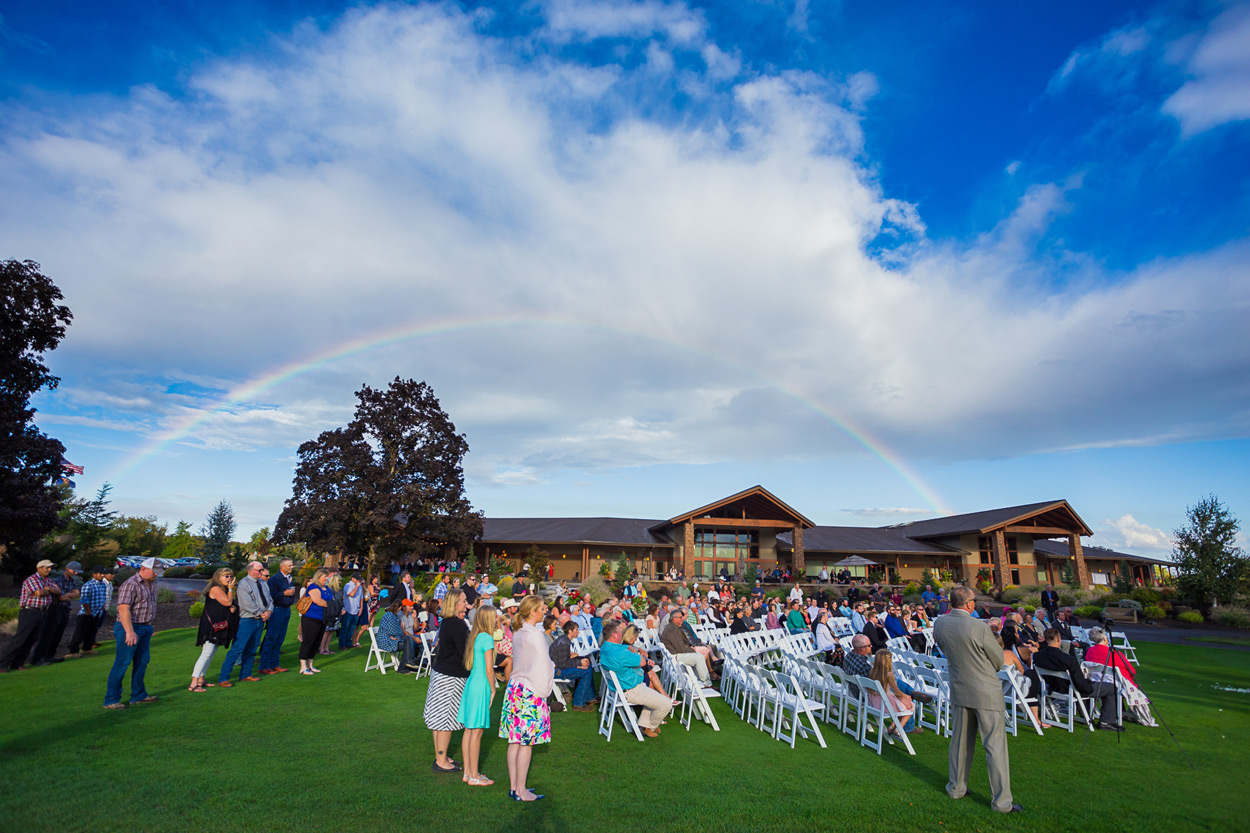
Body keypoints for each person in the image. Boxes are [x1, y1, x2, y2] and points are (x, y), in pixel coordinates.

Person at [934, 585, 1020, 814]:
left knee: (960, 743)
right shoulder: (978, 627)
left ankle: (956, 787)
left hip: (960, 688)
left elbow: (943, 647)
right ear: (970, 604)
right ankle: (1002, 803)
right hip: (985, 692)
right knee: (995, 746)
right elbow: (998, 661)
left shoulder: (940, 623)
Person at [500, 595, 553, 801]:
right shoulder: (535, 634)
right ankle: (521, 791)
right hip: (530, 690)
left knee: (515, 741)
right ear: (533, 612)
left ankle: (515, 788)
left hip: (515, 688)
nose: (544, 611)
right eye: (541, 608)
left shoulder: (518, 631)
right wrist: (545, 690)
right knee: (526, 743)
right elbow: (544, 665)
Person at [102, 557, 162, 709]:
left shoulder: (152, 583)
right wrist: (129, 632)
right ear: (143, 569)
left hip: (145, 627)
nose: (156, 575)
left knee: (142, 661)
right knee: (123, 662)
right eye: (154, 572)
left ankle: (138, 695)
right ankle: (111, 699)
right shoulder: (130, 584)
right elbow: (123, 609)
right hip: (128, 627)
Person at [1033, 627, 1120, 730]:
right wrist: (1090, 687)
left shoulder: (1037, 656)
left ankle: (1085, 716)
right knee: (1112, 688)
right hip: (1070, 689)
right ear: (1059, 639)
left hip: (1052, 687)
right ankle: (1106, 722)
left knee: (1084, 686)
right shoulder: (1068, 659)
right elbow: (1079, 682)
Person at [600, 620, 671, 738]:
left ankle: (644, 725)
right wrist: (641, 655)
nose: (622, 634)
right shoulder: (620, 652)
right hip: (631, 690)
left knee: (653, 697)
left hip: (621, 688)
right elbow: (642, 662)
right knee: (666, 704)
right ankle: (649, 727)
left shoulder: (605, 648)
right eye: (620, 632)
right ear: (614, 635)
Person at [426, 589, 470, 774]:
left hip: (441, 674)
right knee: (445, 719)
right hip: (450, 677)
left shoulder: (447, 623)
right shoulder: (457, 625)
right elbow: (465, 652)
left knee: (438, 718)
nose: (466, 604)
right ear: (454, 603)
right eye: (463, 601)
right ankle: (441, 760)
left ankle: (440, 756)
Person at [458, 605, 498, 787]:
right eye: (495, 617)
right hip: (480, 685)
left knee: (469, 729)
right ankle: (474, 775)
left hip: (472, 683)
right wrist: (493, 689)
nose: (497, 620)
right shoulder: (487, 638)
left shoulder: (475, 636)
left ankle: (468, 772)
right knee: (477, 731)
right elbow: (489, 669)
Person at [217, 561, 273, 687]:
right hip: (247, 620)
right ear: (250, 570)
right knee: (237, 649)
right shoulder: (244, 584)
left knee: (252, 649)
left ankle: (246, 674)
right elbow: (246, 603)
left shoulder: (263, 583)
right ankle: (224, 677)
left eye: (262, 570)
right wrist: (260, 613)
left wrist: (269, 611)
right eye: (259, 570)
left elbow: (270, 599)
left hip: (259, 620)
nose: (261, 572)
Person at [1, 559, 61, 672]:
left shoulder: (48, 580)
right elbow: (39, 593)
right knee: (20, 638)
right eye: (47, 567)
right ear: (39, 568)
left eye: (50, 567)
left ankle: (18, 663)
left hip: (42, 611)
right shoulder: (31, 580)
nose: (49, 569)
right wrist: (48, 590)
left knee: (32, 638)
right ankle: (3, 663)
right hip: (29, 612)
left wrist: (48, 589)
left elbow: (58, 591)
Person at [189, 568, 237, 692]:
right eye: (226, 576)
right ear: (218, 577)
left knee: (211, 653)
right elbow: (227, 602)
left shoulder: (223, 589)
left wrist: (232, 608)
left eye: (230, 576)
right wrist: (231, 589)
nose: (229, 579)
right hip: (211, 626)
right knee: (206, 653)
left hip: (218, 624)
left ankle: (201, 679)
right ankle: (194, 683)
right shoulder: (215, 588)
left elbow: (226, 605)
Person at [33, 560, 81, 664]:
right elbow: (61, 597)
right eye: (74, 571)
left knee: (58, 633)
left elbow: (77, 594)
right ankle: (39, 656)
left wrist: (69, 595)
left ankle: (50, 655)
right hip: (55, 608)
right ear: (67, 569)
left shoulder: (71, 581)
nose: (75, 573)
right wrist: (69, 595)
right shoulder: (58, 580)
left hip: (65, 608)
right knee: (49, 633)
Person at [868, 649, 922, 735]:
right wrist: (905, 696)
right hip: (885, 705)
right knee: (910, 706)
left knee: (902, 705)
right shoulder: (889, 675)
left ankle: (892, 726)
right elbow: (897, 692)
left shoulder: (872, 672)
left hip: (875, 702)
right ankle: (898, 729)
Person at [259, 558, 296, 674]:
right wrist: (284, 593)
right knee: (271, 638)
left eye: (291, 565)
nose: (291, 567)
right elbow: (270, 596)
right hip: (277, 610)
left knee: (279, 639)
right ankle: (264, 666)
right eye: (289, 566)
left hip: (286, 609)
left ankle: (275, 664)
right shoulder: (275, 579)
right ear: (282, 567)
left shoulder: (289, 578)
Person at [549, 621, 596, 711]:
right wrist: (579, 663)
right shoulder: (564, 643)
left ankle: (590, 698)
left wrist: (575, 657)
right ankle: (579, 703)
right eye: (576, 630)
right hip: (556, 671)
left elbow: (563, 659)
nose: (578, 632)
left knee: (587, 666)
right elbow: (563, 664)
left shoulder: (564, 640)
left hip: (557, 668)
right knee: (586, 670)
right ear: (570, 631)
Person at [66, 565, 109, 658]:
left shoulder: (103, 585)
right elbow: (83, 600)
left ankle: (87, 648)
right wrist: (88, 611)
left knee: (92, 632)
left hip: (97, 612)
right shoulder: (88, 585)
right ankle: (73, 651)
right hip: (86, 613)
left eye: (103, 574)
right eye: (100, 573)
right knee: (80, 632)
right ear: (94, 574)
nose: (102, 575)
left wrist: (102, 607)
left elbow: (103, 597)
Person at [660, 609, 713, 684]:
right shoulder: (672, 630)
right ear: (674, 618)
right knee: (699, 657)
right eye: (680, 617)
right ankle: (707, 683)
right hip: (675, 656)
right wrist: (693, 650)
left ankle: (697, 680)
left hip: (675, 654)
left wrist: (691, 648)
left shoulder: (673, 627)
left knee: (699, 655)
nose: (682, 619)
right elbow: (681, 648)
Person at [299, 569, 331, 675]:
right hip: (311, 618)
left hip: (322, 619)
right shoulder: (313, 587)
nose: (326, 578)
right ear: (318, 577)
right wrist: (331, 605)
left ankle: (310, 665)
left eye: (327, 576)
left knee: (316, 643)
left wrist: (330, 604)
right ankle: (303, 667)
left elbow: (332, 599)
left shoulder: (326, 588)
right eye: (324, 576)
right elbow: (318, 601)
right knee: (308, 642)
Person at [340, 573, 363, 649]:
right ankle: (342, 644)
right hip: (348, 609)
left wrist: (361, 608)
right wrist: (356, 586)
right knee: (345, 628)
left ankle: (348, 643)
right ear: (352, 578)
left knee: (352, 628)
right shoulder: (348, 585)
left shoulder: (359, 587)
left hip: (356, 610)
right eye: (357, 579)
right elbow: (351, 594)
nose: (358, 581)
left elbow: (361, 598)